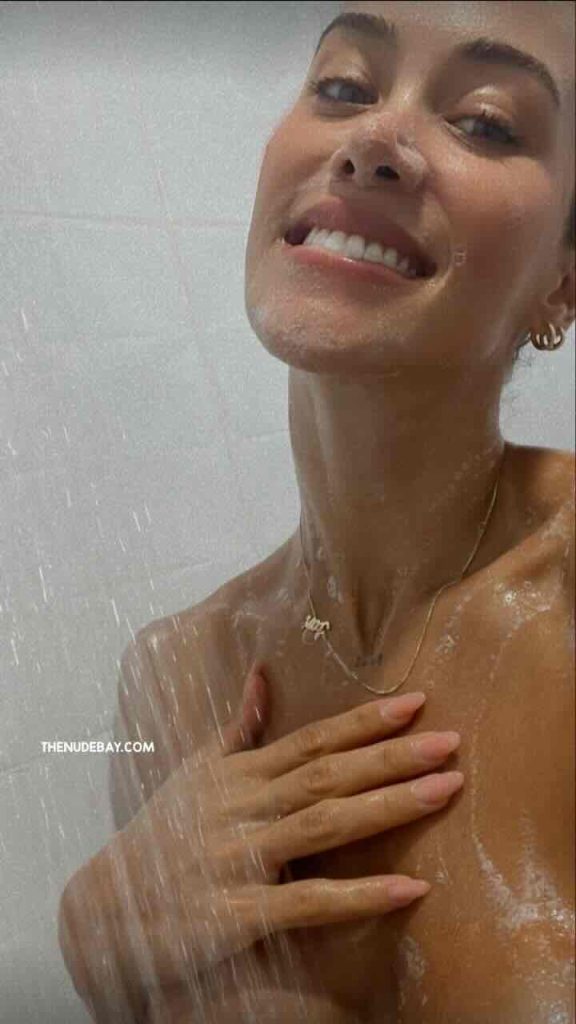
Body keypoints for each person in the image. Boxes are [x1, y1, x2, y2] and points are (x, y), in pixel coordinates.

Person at [58, 2, 575, 1021]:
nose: (376, 137)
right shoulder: (172, 677)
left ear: (563, 283)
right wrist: (94, 950)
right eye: (342, 84)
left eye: (484, 120)